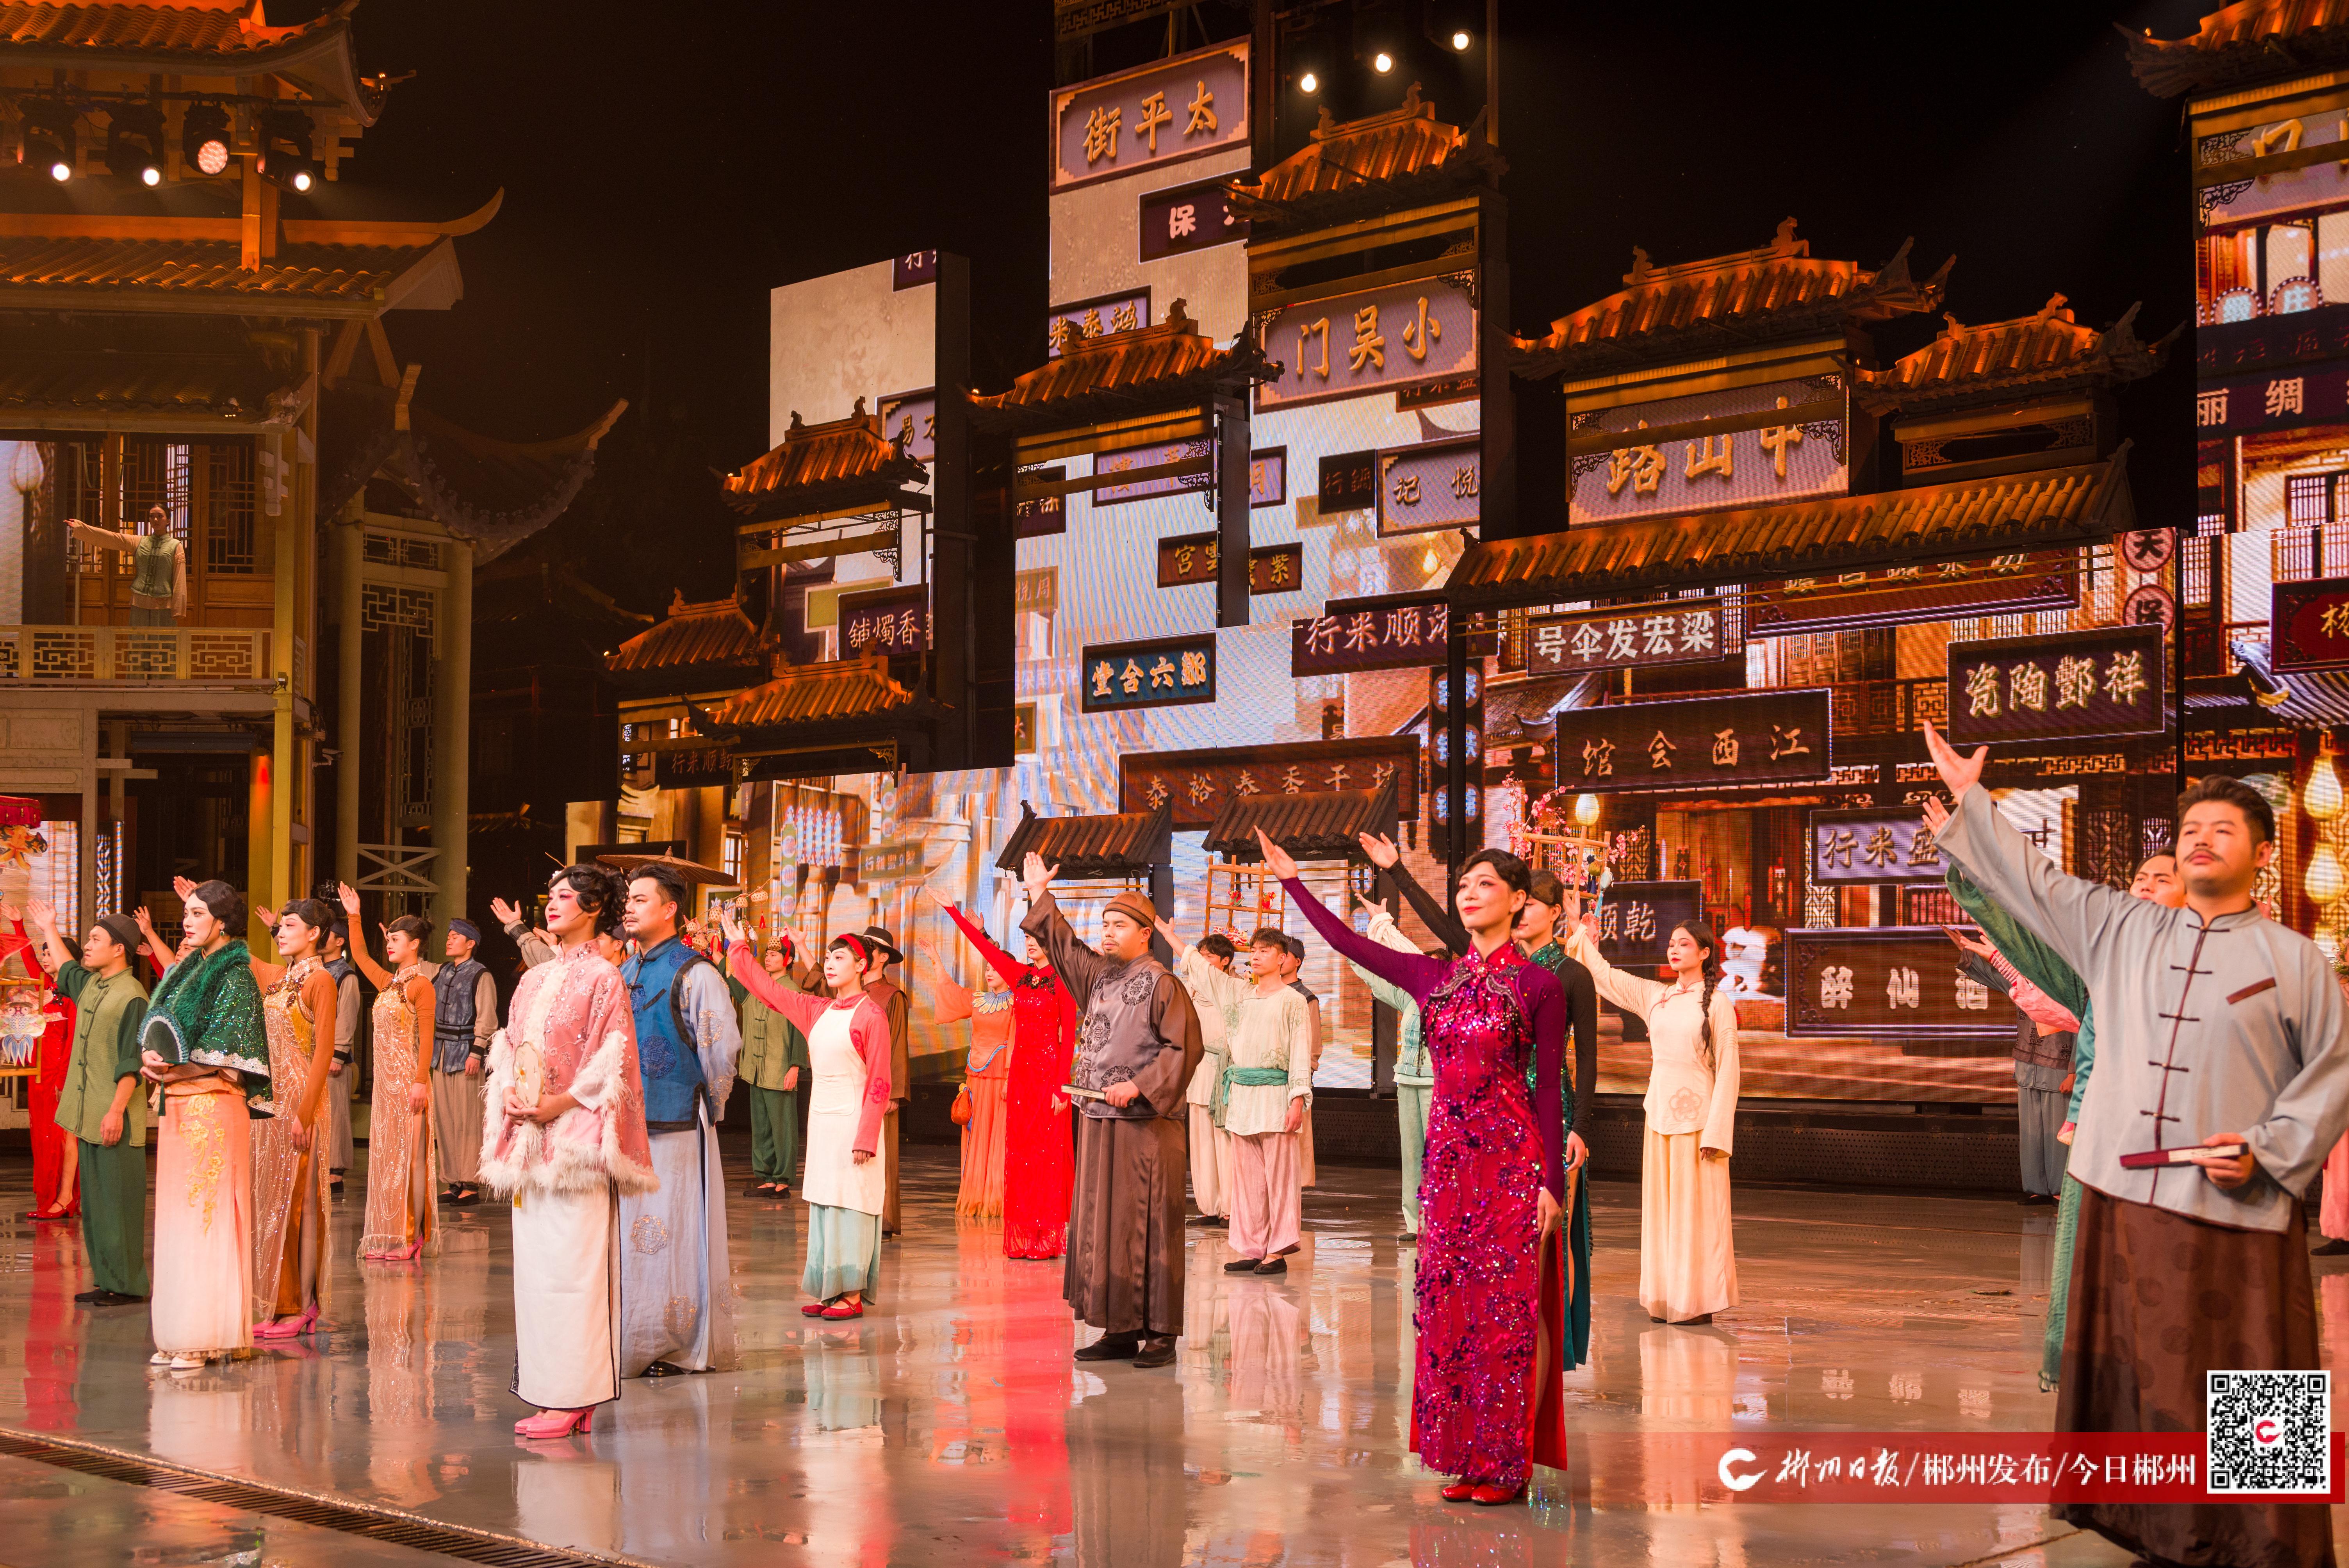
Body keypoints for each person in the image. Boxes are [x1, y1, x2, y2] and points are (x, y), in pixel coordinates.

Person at [1921, 722, 2349, 1568]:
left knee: (2254, 1376)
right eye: (2189, 830)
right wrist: (1973, 799)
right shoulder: (2117, 927)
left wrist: (2268, 1152)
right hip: (2124, 1201)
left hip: (2239, 1203)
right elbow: (2034, 881)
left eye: (2222, 829)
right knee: (2144, 1379)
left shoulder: (2296, 960)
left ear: (2263, 855)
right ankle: (2158, 1534)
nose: (2200, 840)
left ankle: (2268, 1542)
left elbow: (2332, 1069)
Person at [1264, 830, 1567, 1505]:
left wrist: (1552, 1182)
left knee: (1506, 1312)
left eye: (1486, 884)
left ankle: (1507, 1463)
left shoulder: (1540, 985)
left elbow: (1547, 1088)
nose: (1469, 894)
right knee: (1451, 1311)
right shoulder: (1434, 978)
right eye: (1463, 886)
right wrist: (1292, 882)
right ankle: (1464, 1456)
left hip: (1511, 1164)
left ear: (1519, 900)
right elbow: (1346, 943)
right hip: (1450, 1167)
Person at [1944, 848, 2185, 1388]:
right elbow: (2031, 945)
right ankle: (2101, 1394)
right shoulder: (2102, 963)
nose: (2146, 884)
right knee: (2096, 1281)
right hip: (2101, 1135)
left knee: (2196, 1293)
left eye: (2163, 878)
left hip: (2180, 1143)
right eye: (2140, 876)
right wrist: (1971, 862)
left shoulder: (2220, 963)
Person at [481, 863, 656, 1438]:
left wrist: (559, 1104)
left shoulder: (604, 977)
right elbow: (511, 1047)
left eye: (565, 896)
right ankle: (550, 1391)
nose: (552, 904)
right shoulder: (533, 979)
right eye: (551, 895)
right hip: (530, 1140)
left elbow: (615, 1060)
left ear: (593, 908)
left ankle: (576, 1394)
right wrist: (509, 1090)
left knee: (574, 1269)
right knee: (537, 1273)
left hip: (576, 1140)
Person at [1018, 855, 1203, 1368]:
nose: (1107, 932)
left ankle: (1160, 1334)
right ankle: (1118, 1328)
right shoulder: (1100, 977)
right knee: (1105, 1225)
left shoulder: (1163, 983)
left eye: (1119, 925)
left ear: (1145, 934)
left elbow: (1184, 1048)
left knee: (1149, 1226)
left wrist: (1139, 1085)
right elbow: (1064, 946)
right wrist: (1037, 894)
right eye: (1104, 924)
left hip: (1147, 1128)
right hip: (1100, 1120)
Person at [1561, 892, 1738, 1326]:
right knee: (1663, 1212)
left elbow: (1729, 1070)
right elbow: (1605, 976)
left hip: (1698, 1125)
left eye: (1684, 944)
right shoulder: (1656, 996)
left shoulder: (1717, 1003)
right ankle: (1666, 1298)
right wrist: (1579, 929)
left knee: (1696, 1214)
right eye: (1671, 943)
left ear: (1704, 953)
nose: (1674, 949)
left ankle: (1697, 1300)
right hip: (1659, 1118)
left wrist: (1717, 1134)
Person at [723, 918, 892, 1318]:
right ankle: (828, 1288)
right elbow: (767, 991)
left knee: (851, 1203)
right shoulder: (817, 1009)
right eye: (828, 958)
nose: (830, 964)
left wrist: (867, 1136)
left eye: (840, 958)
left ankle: (852, 1294)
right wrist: (738, 948)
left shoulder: (872, 1015)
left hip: (856, 1123)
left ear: (861, 965)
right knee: (825, 1202)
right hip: (823, 1121)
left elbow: (880, 1081)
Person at [137, 878, 270, 1369]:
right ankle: (179, 1333)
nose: (187, 921)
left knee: (205, 1217)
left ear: (222, 921)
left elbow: (228, 1057)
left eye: (197, 913)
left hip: (213, 1107)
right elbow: (164, 1033)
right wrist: (152, 1060)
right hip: (178, 1106)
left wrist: (170, 1069)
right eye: (187, 912)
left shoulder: (235, 975)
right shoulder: (188, 970)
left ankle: (205, 1334)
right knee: (179, 1220)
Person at [617, 865, 741, 1377]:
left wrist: (708, 1106)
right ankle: (631, 1338)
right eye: (628, 899)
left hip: (676, 1124)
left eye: (641, 899)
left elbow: (721, 1049)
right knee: (629, 1237)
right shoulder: (624, 969)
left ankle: (672, 1342)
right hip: (625, 1125)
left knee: (671, 1233)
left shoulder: (696, 972)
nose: (629, 907)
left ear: (670, 909)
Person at [1161, 922, 1310, 1276]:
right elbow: (1201, 968)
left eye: (1264, 951)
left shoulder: (1293, 1001)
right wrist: (1169, 937)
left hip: (1275, 1094)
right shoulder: (1239, 993)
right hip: (1242, 1095)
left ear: (1282, 958)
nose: (1256, 957)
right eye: (1253, 951)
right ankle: (1252, 1246)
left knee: (1279, 1177)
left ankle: (1278, 1250)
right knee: (1247, 1178)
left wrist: (1298, 1099)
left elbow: (1301, 1052)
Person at [937, 894, 1078, 1260]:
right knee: (1021, 1156)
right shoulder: (1021, 976)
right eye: (1027, 937)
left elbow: (1068, 1039)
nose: (1030, 943)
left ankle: (1046, 1237)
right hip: (1021, 1075)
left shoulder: (1063, 982)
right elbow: (983, 947)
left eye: (1036, 937)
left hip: (1049, 1076)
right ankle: (1024, 1235)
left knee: (1046, 1157)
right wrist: (952, 910)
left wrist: (1062, 1087)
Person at [24, 902, 148, 1304]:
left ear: (119, 949)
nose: (88, 946)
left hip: (115, 1116)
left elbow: (131, 1062)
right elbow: (65, 967)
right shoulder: (93, 985)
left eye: (96, 939)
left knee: (118, 1205)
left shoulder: (132, 995)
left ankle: (128, 1285)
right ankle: (108, 1279)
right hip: (88, 1114)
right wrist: (48, 927)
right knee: (96, 1207)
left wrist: (116, 1111)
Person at [239, 893, 341, 1338]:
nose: (281, 932)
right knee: (274, 1202)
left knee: (301, 1203)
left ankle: (302, 1304)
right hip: (273, 1103)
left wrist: (306, 1112)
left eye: (291, 925)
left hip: (302, 1101)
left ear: (315, 933)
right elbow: (236, 955)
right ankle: (278, 1301)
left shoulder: (321, 980)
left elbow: (323, 1051)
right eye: (280, 926)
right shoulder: (280, 978)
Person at [1512, 870, 1601, 1368]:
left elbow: (1586, 1057)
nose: (1520, 912)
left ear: (1554, 912)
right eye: (1517, 902)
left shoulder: (1572, 975)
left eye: (1531, 903)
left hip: (1554, 1112)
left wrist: (1580, 1126)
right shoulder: (1500, 969)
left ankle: (1551, 1342)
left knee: (1552, 1227)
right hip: (1503, 1112)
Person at [1944, 923, 2078, 1206]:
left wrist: (2074, 1071)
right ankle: (2036, 1187)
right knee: (2032, 1130)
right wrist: (1968, 952)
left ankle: (2060, 1189)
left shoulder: (2070, 983)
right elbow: (1997, 977)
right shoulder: (2023, 979)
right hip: (2028, 1061)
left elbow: (2084, 1027)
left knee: (2058, 1130)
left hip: (2059, 1063)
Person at [336, 889, 438, 1263]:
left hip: (410, 1082)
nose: (390, 945)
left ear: (415, 944)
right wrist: (354, 915)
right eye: (389, 939)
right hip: (385, 1087)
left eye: (396, 939)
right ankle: (392, 1234)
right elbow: (360, 955)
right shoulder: (388, 983)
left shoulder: (421, 985)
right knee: (387, 1160)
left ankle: (413, 1237)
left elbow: (427, 1040)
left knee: (412, 1159)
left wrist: (420, 1082)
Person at [1340, 891, 1436, 1243]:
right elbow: (1376, 977)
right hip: (1408, 1080)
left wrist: (1382, 923)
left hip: (1438, 1084)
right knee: (1411, 1155)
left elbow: (1409, 956)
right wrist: (1354, 946)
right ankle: (1416, 1224)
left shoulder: (1452, 998)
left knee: (1439, 1157)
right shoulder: (1410, 997)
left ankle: (1441, 1223)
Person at [918, 930, 1011, 1220]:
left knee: (1000, 1137)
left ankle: (998, 1199)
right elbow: (950, 992)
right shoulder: (978, 999)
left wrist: (1012, 1077)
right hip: (977, 1079)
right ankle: (976, 1196)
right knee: (976, 1134)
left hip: (1004, 1078)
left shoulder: (1020, 1002)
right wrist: (936, 961)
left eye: (996, 968)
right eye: (988, 968)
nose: (989, 972)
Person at [1, 903, 75, 1222]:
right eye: (44, 954)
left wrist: (63, 1079)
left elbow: (72, 1041)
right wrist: (19, 924)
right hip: (39, 1072)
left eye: (51, 954)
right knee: (42, 1136)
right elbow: (29, 959)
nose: (46, 959)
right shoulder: (44, 986)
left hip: (59, 1072)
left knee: (60, 1136)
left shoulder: (72, 994)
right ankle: (49, 1198)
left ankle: (64, 1198)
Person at [737, 938, 811, 1197]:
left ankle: (783, 1180)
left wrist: (796, 1066)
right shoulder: (757, 988)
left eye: (775, 955)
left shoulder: (792, 991)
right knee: (762, 1126)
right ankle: (767, 1177)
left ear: (788, 961)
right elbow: (732, 974)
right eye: (767, 954)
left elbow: (800, 1031)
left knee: (783, 1128)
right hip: (757, 1069)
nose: (768, 958)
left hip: (780, 1068)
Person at [430, 917, 495, 1207]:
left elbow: (487, 1016)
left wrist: (477, 1051)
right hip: (441, 1053)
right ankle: (453, 1179)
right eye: (449, 935)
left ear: (471, 944)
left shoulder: (481, 974)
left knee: (468, 1120)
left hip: (466, 1052)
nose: (449, 940)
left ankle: (471, 1181)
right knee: (445, 1119)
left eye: (455, 936)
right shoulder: (442, 971)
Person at [1174, 932, 1238, 1228]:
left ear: (1225, 961)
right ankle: (1210, 1206)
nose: (1201, 961)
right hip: (1199, 1071)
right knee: (1201, 1142)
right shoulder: (1190, 989)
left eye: (1208, 957)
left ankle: (1231, 1208)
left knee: (1225, 1142)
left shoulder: (1235, 988)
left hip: (1224, 1072)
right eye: (1199, 956)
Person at [857, 926, 911, 1235]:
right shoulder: (851, 991)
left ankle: (884, 1218)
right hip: (852, 1081)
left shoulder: (892, 996)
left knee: (883, 1150)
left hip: (880, 1085)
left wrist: (894, 1093)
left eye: (869, 950)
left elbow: (898, 1045)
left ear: (882, 958)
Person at [68, 504, 185, 626]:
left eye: (160, 516)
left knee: (163, 637)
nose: (155, 520)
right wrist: (81, 528)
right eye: (152, 516)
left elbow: (179, 579)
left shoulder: (176, 546)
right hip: (139, 601)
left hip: (164, 603)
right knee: (139, 636)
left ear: (168, 521)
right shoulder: (139, 542)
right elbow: (112, 538)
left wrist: (178, 608)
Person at [319, 919, 361, 1197]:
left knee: (336, 1115)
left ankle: (336, 1171)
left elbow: (347, 1017)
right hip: (312, 1053)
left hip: (334, 1057)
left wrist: (339, 1053)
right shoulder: (316, 969)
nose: (321, 938)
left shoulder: (346, 976)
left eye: (328, 934)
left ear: (340, 941)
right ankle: (320, 1166)